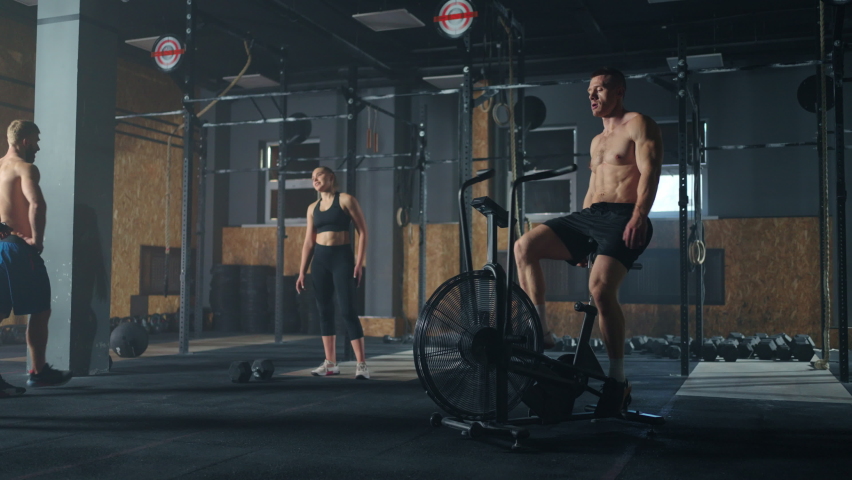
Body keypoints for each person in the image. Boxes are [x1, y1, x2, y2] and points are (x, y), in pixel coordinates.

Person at [513, 67, 663, 409]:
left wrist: (640, 214)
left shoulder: (640, 124)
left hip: (624, 216)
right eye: (589, 92)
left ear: (620, 91)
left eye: (600, 89)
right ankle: (541, 332)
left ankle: (617, 379)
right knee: (525, 246)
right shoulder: (597, 141)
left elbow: (650, 171)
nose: (592, 96)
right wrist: (580, 239)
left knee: (599, 290)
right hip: (590, 218)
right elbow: (593, 192)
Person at [0, 120, 73, 398]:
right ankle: (38, 372)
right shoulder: (25, 168)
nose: (39, 147)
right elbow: (37, 203)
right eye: (37, 141)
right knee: (40, 310)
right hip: (17, 249)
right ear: (25, 142)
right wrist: (37, 240)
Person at [297, 166, 370, 379]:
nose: (315, 178)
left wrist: (358, 262)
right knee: (324, 311)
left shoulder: (346, 200)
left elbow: (363, 232)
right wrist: (302, 271)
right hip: (319, 261)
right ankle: (330, 363)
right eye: (312, 176)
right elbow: (308, 241)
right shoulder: (312, 208)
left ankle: (362, 364)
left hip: (342, 259)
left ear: (330, 177)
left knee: (348, 311)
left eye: (318, 174)